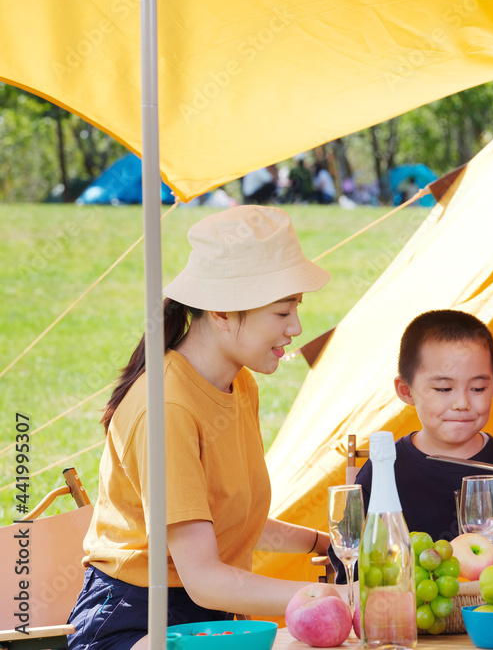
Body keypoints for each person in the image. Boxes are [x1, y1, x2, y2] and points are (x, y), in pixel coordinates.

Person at [67, 206, 336, 650]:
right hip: (135, 619)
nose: (296, 327)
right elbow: (205, 578)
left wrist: (324, 546)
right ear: (221, 312)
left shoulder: (239, 383)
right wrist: (329, 596)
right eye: (282, 312)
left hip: (212, 612)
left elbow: (229, 520)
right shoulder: (167, 407)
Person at [352, 310, 493, 541]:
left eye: (478, 389)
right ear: (406, 390)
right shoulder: (384, 470)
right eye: (443, 389)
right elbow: (352, 565)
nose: (462, 404)